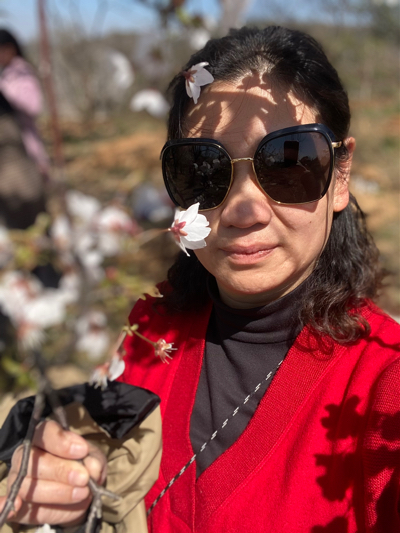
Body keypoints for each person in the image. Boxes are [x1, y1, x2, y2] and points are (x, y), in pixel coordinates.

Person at [1, 25, 399, 533]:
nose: (244, 210)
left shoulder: (383, 389)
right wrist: (59, 483)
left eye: (288, 161)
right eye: (203, 170)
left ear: (340, 175)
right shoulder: (153, 330)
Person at [0, 29, 50, 229]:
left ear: (10, 49)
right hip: (9, 150)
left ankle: (39, 236)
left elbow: (33, 105)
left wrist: (5, 89)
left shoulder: (21, 72)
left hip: (23, 143)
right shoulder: (5, 72)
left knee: (30, 196)